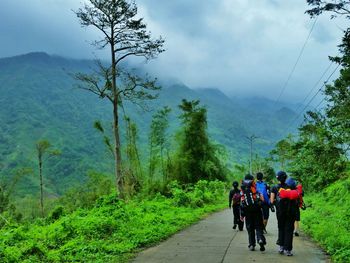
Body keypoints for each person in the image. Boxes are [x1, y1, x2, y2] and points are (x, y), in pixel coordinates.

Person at [270, 171, 299, 256]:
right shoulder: (291, 187)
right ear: (286, 177)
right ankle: (288, 250)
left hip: (280, 212)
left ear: (277, 178)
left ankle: (281, 247)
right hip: (291, 212)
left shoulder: (274, 188)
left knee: (281, 228)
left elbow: (271, 201)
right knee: (289, 230)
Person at [240, 174, 266, 251]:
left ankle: (252, 245)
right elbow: (262, 198)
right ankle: (260, 239)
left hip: (247, 211)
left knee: (250, 227)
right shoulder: (255, 187)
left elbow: (242, 202)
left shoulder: (243, 188)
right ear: (252, 180)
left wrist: (242, 214)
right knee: (258, 226)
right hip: (257, 210)